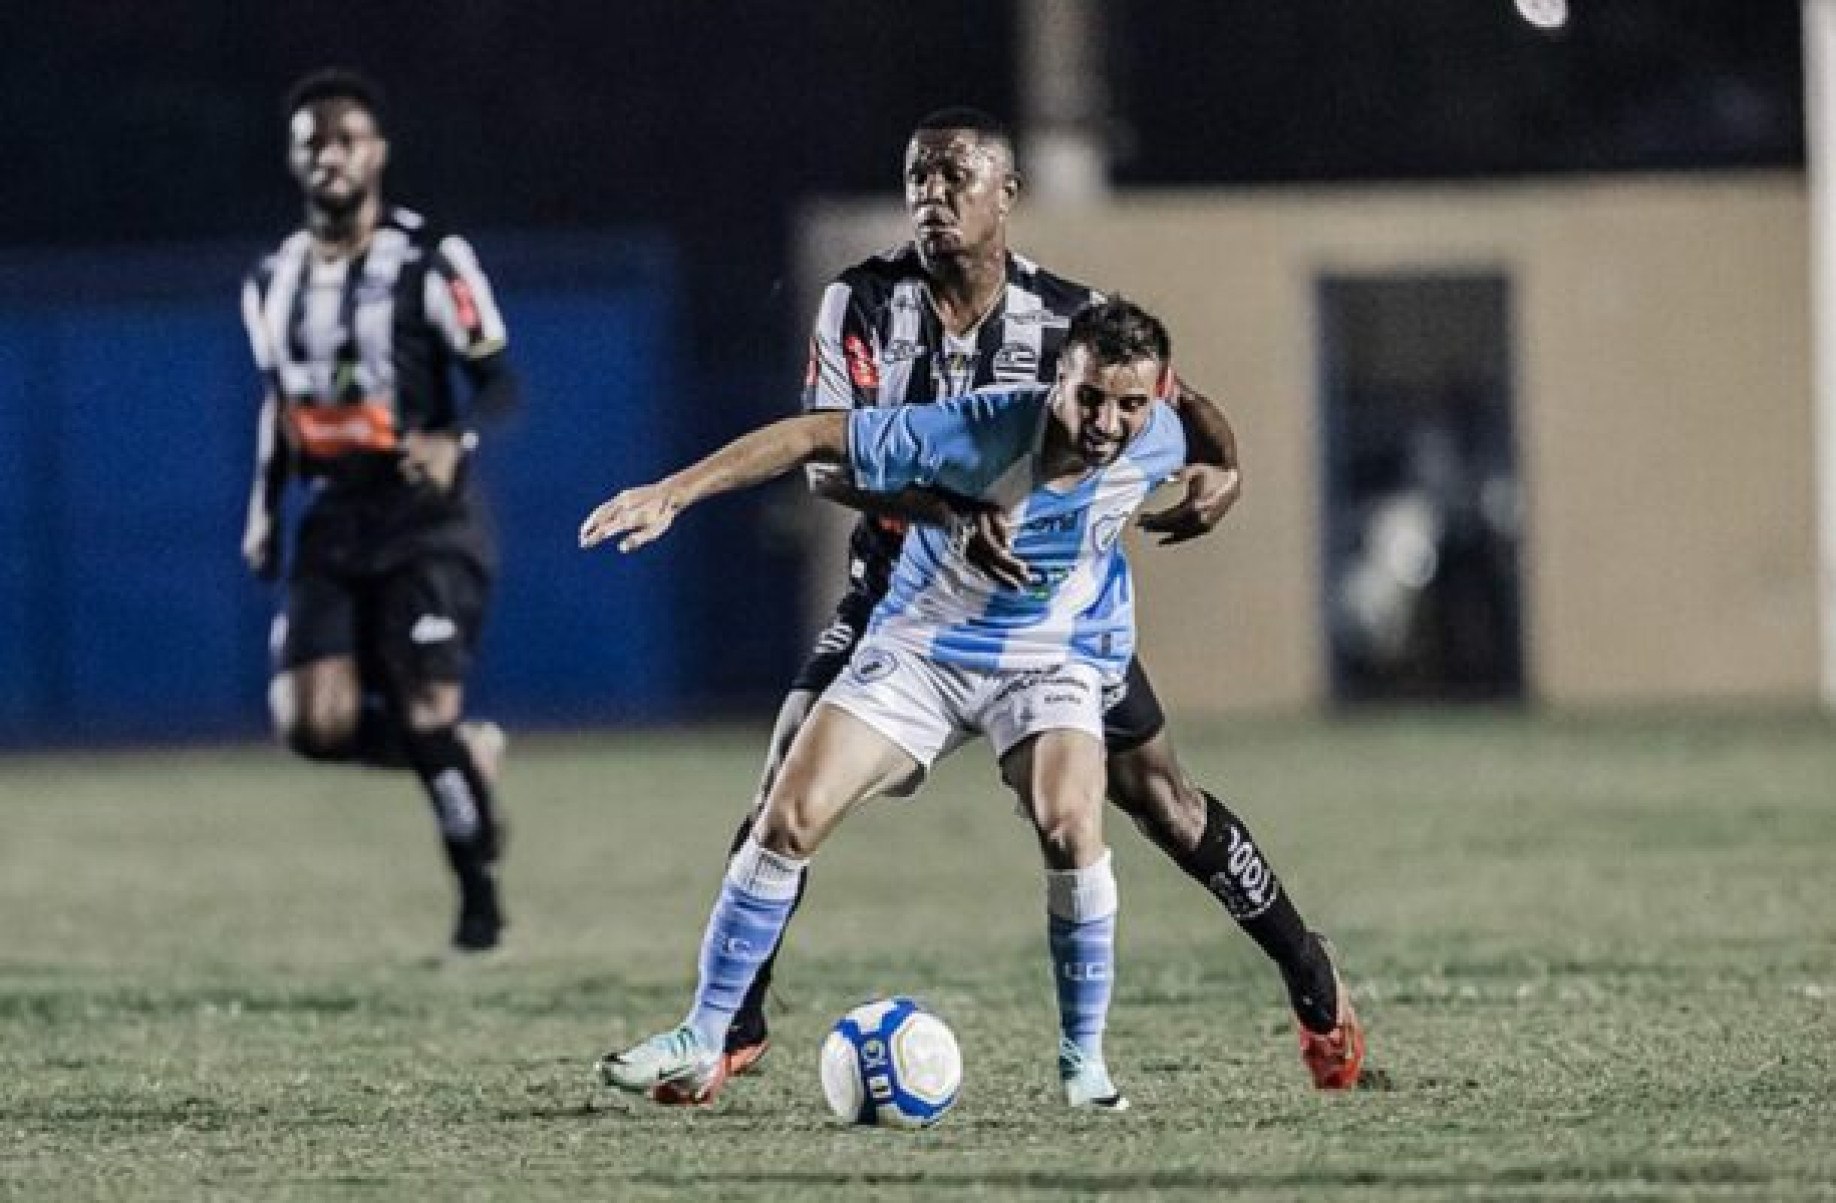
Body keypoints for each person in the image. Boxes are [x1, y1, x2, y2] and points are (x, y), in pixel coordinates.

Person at [696, 108, 1365, 1097]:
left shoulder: (1068, 316)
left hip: (1049, 620)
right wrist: (951, 513)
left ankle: (1313, 981)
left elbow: (1179, 402)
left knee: (1164, 805)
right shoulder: (861, 303)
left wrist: (1227, 463)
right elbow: (826, 466)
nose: (932, 194)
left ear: (1004, 196)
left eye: (955, 177)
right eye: (918, 176)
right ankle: (727, 1035)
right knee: (776, 801)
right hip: (902, 602)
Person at [586, 298, 1190, 1109]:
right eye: (1091, 397)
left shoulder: (1160, 436)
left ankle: (1084, 1064)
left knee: (1072, 820)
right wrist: (676, 490)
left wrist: (1228, 468)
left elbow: (1202, 430)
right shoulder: (973, 428)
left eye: (1130, 404)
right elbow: (813, 437)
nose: (1108, 422)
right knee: (788, 813)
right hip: (923, 648)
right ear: (1059, 380)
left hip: (1048, 659)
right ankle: (702, 1037)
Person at [238, 69, 518, 953]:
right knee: (310, 725)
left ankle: (479, 903)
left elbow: (499, 379)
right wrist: (263, 510)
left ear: (378, 153)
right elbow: (280, 403)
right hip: (332, 510)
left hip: (425, 514)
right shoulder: (270, 279)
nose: (332, 155)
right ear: (294, 159)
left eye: (347, 139)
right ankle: (465, 761)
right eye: (314, 142)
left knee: (422, 705)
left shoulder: (433, 260)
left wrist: (453, 441)